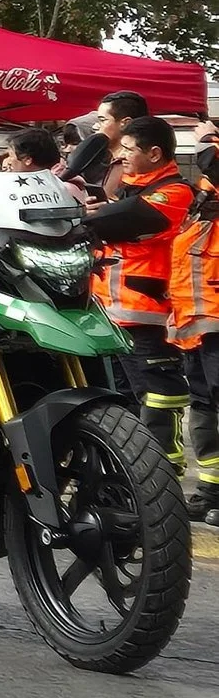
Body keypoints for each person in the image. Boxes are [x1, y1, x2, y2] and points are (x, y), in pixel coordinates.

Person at [98, 114, 195, 485]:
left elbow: (118, 222)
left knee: (158, 398)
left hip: (148, 317)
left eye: (128, 148)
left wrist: (89, 212)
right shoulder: (128, 188)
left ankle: (162, 479)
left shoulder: (174, 191)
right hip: (113, 315)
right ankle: (126, 478)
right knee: (120, 399)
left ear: (154, 153)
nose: (120, 154)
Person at [165, 147, 219, 526]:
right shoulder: (202, 193)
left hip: (214, 317)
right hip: (194, 321)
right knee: (203, 406)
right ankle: (211, 491)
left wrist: (207, 143)